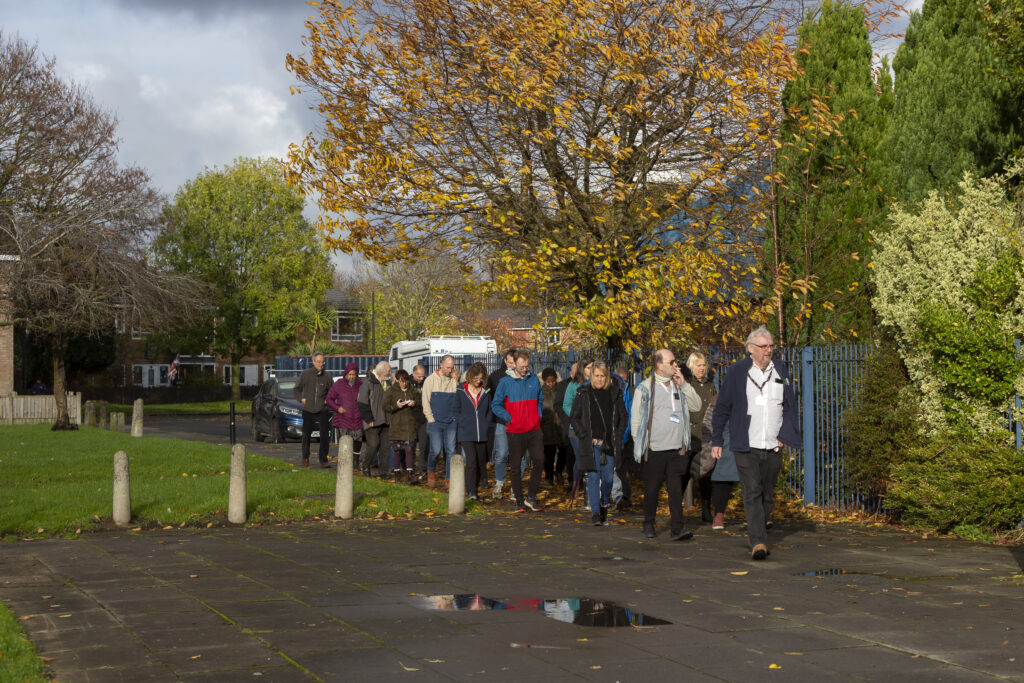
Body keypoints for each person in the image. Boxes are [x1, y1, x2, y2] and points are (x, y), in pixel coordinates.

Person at [712, 326, 800, 560]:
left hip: (773, 444)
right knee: (752, 492)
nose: (768, 350)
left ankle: (756, 531)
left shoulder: (781, 369)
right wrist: (717, 439)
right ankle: (759, 541)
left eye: (771, 346)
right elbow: (722, 407)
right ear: (751, 349)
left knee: (766, 495)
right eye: (763, 346)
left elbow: (790, 408)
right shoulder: (737, 371)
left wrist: (785, 436)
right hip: (746, 444)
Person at [631, 348, 702, 540]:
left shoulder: (679, 386)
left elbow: (697, 406)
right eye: (671, 362)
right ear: (659, 365)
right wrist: (640, 444)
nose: (675, 365)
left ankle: (677, 528)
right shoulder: (644, 388)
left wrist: (685, 385)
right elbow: (636, 420)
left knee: (675, 489)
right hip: (654, 449)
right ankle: (648, 523)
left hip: (677, 449)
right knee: (652, 489)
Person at [570, 361, 628, 526]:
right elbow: (574, 416)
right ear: (591, 376)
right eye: (597, 376)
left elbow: (623, 417)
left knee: (608, 477)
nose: (600, 379)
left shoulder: (614, 393)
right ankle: (595, 513)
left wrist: (618, 434)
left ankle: (604, 503)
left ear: (607, 377)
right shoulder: (583, 393)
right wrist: (582, 434)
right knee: (593, 477)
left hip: (609, 443)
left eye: (603, 376)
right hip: (590, 443)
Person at [492, 349, 545, 512]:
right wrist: (510, 418)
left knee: (539, 460)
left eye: (526, 366)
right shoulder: (505, 382)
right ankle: (519, 500)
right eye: (521, 366)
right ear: (514, 364)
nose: (524, 369)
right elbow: (496, 405)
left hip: (534, 428)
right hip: (515, 430)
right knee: (515, 466)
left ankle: (531, 497)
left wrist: (538, 415)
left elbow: (540, 400)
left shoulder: (534, 379)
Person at [452, 362, 492, 501]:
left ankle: (475, 489)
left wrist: (486, 423)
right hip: (466, 432)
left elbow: (489, 410)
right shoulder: (460, 390)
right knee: (472, 461)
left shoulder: (486, 391)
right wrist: (463, 421)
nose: (478, 381)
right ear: (470, 376)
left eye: (480, 378)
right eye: (475, 378)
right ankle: (471, 491)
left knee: (481, 462)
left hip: (482, 433)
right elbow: (456, 410)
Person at [686, 352, 718, 523]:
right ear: (692, 366)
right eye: (698, 365)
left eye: (704, 365)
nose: (702, 368)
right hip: (690, 436)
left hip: (706, 436)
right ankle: (681, 508)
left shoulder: (710, 386)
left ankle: (706, 510)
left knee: (706, 475)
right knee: (684, 472)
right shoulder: (687, 385)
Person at [422, 354, 458, 488]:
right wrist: (430, 419)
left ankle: (449, 478)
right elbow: (425, 401)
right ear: (441, 365)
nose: (450, 370)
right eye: (448, 367)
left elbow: (457, 400)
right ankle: (431, 469)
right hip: (435, 422)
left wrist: (455, 417)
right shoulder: (430, 380)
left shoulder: (454, 380)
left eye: (452, 368)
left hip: (451, 422)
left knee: (451, 451)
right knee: (436, 450)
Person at [293, 353, 334, 468]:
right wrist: (301, 399)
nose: (321, 364)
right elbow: (296, 389)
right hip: (308, 409)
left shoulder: (327, 376)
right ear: (314, 362)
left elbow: (332, 392)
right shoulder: (306, 374)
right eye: (319, 362)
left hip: (323, 409)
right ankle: (305, 457)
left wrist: (328, 400)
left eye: (323, 362)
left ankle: (323, 459)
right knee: (306, 434)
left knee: (324, 435)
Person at [488, 348, 516, 499]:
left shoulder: (521, 376)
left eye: (514, 362)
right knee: (501, 454)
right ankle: (500, 481)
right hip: (501, 421)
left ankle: (514, 486)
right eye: (510, 362)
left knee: (518, 455)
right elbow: (493, 401)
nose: (512, 366)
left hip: (518, 422)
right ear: (505, 360)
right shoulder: (496, 377)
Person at [562, 358, 593, 495]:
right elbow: (566, 405)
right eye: (588, 368)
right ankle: (575, 484)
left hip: (592, 427)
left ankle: (591, 486)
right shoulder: (573, 385)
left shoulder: (596, 383)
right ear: (582, 369)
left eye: (593, 367)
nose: (591, 370)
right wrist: (578, 417)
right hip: (576, 428)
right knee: (580, 456)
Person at [383, 369, 420, 483]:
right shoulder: (391, 391)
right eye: (401, 381)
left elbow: (419, 403)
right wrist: (396, 405)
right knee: (397, 450)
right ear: (397, 380)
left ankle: (409, 473)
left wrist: (414, 404)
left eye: (405, 381)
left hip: (409, 426)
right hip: (396, 426)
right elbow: (385, 407)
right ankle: (397, 473)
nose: (404, 383)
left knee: (409, 449)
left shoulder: (413, 390)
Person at [358, 361, 392, 478]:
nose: (390, 373)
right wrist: (368, 419)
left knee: (385, 448)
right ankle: (366, 466)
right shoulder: (367, 384)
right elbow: (362, 403)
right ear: (382, 371)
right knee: (372, 445)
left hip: (386, 421)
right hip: (372, 421)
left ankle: (383, 472)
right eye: (389, 370)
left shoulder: (388, 384)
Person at [326, 362, 364, 466]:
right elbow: (329, 399)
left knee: (358, 441)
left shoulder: (361, 385)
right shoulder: (338, 384)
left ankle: (356, 462)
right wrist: (337, 408)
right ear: (346, 374)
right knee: (345, 443)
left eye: (354, 375)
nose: (351, 377)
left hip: (357, 418)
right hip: (343, 420)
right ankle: (345, 463)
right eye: (350, 374)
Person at [552, 362, 576, 488]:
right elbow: (558, 405)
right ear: (571, 373)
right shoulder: (563, 385)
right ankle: (571, 480)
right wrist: (567, 419)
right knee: (569, 452)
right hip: (568, 425)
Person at [540, 368, 563, 485]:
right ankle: (549, 476)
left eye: (553, 381)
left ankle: (558, 472)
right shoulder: (540, 392)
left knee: (563, 451)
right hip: (547, 427)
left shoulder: (560, 390)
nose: (551, 384)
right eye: (548, 382)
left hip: (560, 426)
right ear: (544, 381)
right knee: (548, 454)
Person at [410, 365, 429, 481]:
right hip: (411, 418)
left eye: (423, 376)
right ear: (413, 374)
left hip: (424, 418)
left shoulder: (426, 382)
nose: (421, 378)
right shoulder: (407, 382)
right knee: (410, 446)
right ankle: (410, 468)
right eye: (419, 376)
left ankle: (423, 469)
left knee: (424, 445)